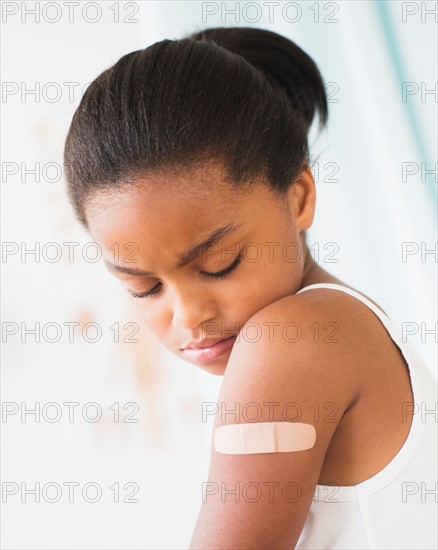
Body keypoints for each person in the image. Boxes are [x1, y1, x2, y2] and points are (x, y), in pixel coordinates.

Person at [63, 27, 437, 549]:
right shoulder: (349, 323)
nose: (188, 315)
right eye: (145, 288)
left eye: (220, 263)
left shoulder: (293, 339)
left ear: (300, 195)